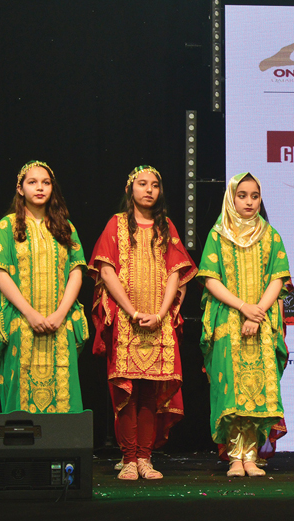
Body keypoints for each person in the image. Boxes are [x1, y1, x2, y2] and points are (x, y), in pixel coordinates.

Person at [90, 166, 196, 481]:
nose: (148, 190)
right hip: (126, 322)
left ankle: (146, 458)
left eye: (154, 185)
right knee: (126, 392)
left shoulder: (167, 228)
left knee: (150, 392)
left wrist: (161, 314)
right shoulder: (117, 225)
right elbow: (106, 272)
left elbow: (176, 273)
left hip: (159, 323)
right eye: (142, 184)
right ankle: (128, 458)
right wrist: (133, 313)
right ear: (130, 189)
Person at [197, 172, 290, 477]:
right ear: (231, 198)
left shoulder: (271, 235)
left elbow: (278, 277)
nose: (249, 202)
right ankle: (235, 457)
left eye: (255, 196)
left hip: (261, 323)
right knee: (232, 393)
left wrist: (259, 311)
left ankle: (251, 455)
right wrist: (243, 309)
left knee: (258, 392)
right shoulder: (218, 234)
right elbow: (210, 278)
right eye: (242, 195)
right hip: (228, 320)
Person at [0, 161, 88, 414]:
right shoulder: (7, 226)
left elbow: (76, 272)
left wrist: (60, 314)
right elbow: (0, 273)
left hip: (60, 324)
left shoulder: (66, 227)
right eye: (32, 182)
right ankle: (21, 452)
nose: (39, 188)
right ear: (20, 189)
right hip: (22, 323)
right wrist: (30, 314)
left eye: (46, 182)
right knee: (19, 391)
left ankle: (63, 452)